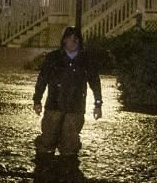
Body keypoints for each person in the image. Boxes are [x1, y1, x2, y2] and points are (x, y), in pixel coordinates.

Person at [31, 26, 103, 157]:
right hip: (54, 105)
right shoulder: (53, 58)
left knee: (70, 145)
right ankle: (44, 170)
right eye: (69, 39)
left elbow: (95, 82)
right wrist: (37, 100)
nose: (73, 42)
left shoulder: (86, 60)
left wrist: (98, 104)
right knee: (47, 140)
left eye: (76, 39)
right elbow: (42, 80)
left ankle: (68, 172)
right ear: (64, 41)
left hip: (75, 108)